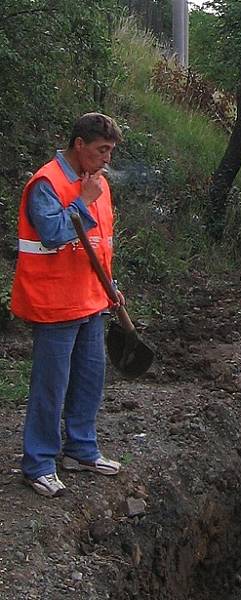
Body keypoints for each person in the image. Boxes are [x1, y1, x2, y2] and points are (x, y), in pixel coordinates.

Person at [11, 113, 125, 498]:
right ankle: (39, 463)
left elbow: (100, 243)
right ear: (80, 145)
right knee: (51, 387)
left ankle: (81, 449)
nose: (106, 158)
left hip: (91, 299)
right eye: (101, 150)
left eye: (110, 151)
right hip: (55, 303)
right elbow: (55, 232)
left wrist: (111, 286)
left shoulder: (99, 185)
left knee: (90, 381)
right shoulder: (48, 182)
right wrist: (82, 202)